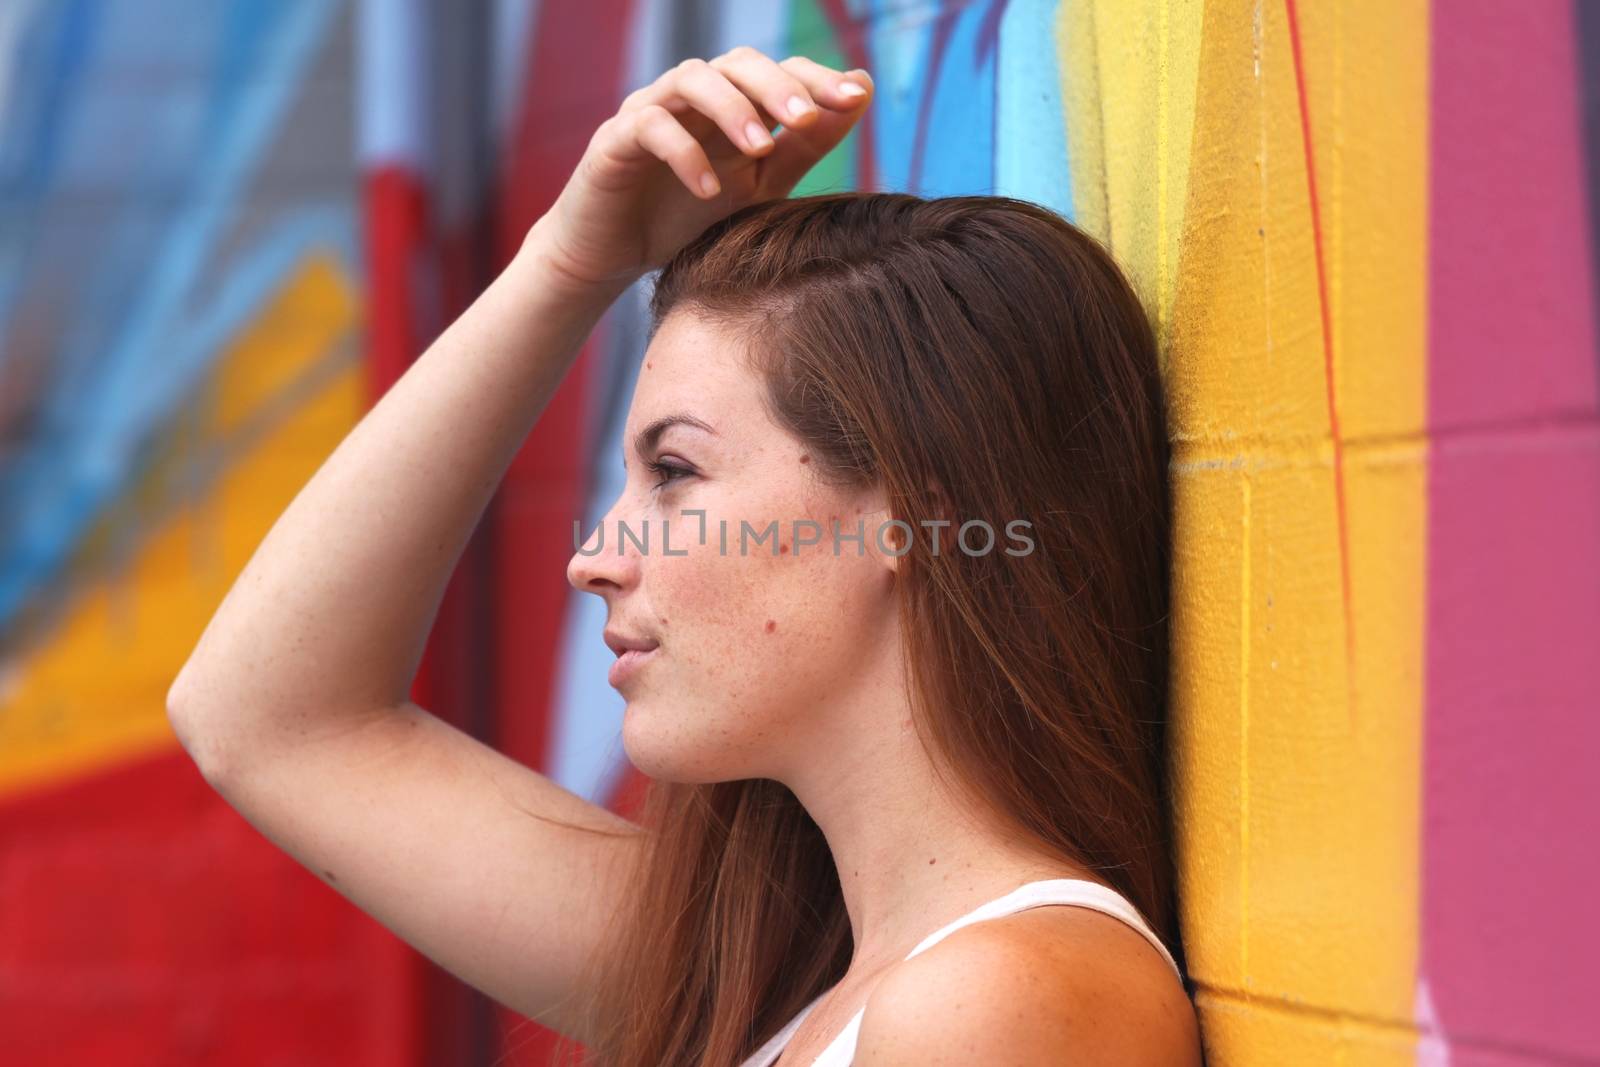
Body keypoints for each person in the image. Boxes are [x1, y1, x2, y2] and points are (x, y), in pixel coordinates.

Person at [168, 44, 1203, 1067]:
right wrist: (567, 263)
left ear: (911, 518)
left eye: (672, 471)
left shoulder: (1001, 997)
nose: (594, 559)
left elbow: (281, 726)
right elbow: (266, 719)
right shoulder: (783, 969)